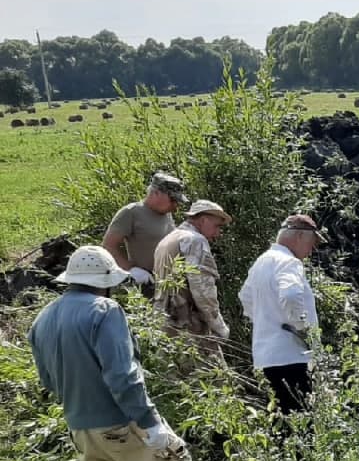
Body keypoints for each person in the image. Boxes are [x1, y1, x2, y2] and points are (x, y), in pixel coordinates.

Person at [27, 245, 195, 461]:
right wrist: (150, 424)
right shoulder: (105, 311)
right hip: (119, 421)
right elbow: (123, 376)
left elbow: (47, 381)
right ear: (106, 281)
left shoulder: (43, 317)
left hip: (79, 425)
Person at [238, 214, 325, 414]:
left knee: (282, 422)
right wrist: (303, 329)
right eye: (311, 243)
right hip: (292, 356)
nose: (311, 250)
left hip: (266, 357)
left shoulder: (262, 261)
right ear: (299, 237)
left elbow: (245, 298)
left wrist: (267, 321)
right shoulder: (288, 262)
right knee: (302, 423)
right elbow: (292, 295)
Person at [152, 199, 233, 362]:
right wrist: (219, 327)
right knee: (216, 380)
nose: (217, 234)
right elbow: (202, 290)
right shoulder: (194, 240)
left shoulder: (168, 239)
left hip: (165, 323)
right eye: (217, 226)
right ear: (203, 220)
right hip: (189, 327)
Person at [102, 172, 188, 291]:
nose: (176, 206)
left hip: (169, 283)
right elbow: (108, 246)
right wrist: (130, 270)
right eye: (172, 200)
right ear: (156, 193)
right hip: (145, 285)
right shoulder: (131, 212)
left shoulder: (167, 214)